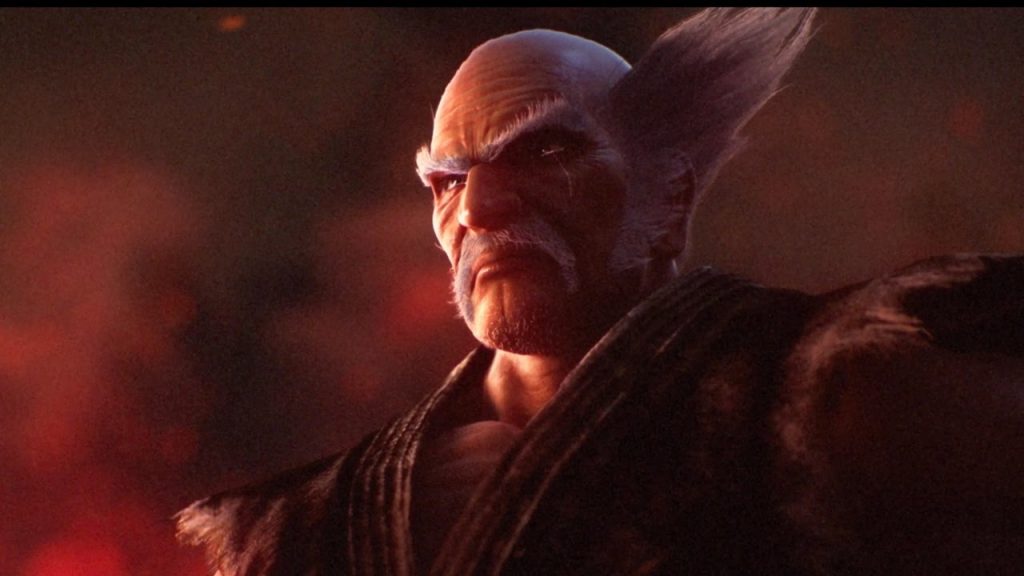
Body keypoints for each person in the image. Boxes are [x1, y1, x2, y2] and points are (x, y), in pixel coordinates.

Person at [177, 8, 1024, 575]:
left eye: (545, 152)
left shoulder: (856, 395)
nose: (479, 208)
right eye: (448, 181)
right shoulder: (309, 527)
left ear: (670, 192)